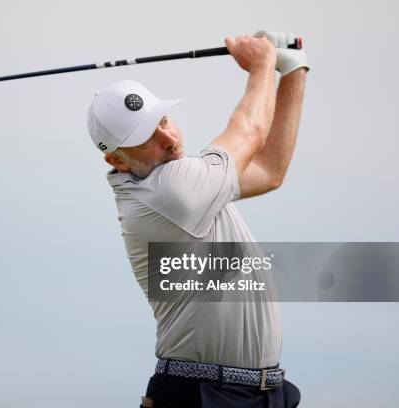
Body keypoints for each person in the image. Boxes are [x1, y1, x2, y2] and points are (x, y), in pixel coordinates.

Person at [86, 31, 308, 407]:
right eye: (147, 136)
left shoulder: (193, 184)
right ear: (117, 160)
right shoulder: (170, 191)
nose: (169, 138)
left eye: (164, 120)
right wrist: (260, 65)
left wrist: (292, 69)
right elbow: (251, 132)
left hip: (265, 392)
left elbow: (270, 170)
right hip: (202, 393)